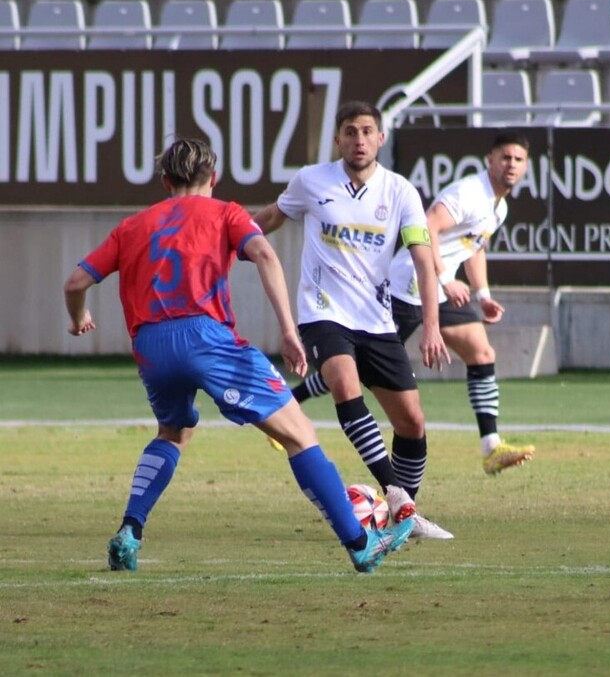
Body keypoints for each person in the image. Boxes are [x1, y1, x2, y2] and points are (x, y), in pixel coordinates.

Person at [62, 137, 413, 574]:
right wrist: (289, 330)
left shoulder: (132, 226)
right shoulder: (224, 211)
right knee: (300, 434)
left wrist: (79, 319)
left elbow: (76, 283)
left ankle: (130, 531)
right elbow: (263, 251)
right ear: (214, 177)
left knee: (174, 432)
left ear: (165, 180)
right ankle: (361, 544)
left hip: (151, 345)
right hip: (207, 338)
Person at [253, 101, 454, 540]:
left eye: (367, 131)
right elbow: (269, 218)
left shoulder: (401, 191)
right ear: (338, 139)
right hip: (323, 313)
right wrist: (223, 239)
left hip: (378, 320)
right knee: (344, 384)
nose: (359, 140)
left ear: (380, 138)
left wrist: (433, 325)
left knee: (412, 423)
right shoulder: (311, 181)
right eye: (350, 132)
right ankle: (397, 498)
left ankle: (405, 518)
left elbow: (424, 261)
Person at [287, 131, 537, 476]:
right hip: (407, 285)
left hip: (438, 291)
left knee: (482, 353)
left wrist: (483, 295)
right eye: (505, 157)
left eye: (518, 160)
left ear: (526, 167)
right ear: (490, 160)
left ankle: (491, 446)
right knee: (356, 369)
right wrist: (445, 277)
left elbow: (474, 246)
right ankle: (290, 402)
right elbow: (429, 227)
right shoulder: (470, 193)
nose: (511, 165)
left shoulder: (499, 205)